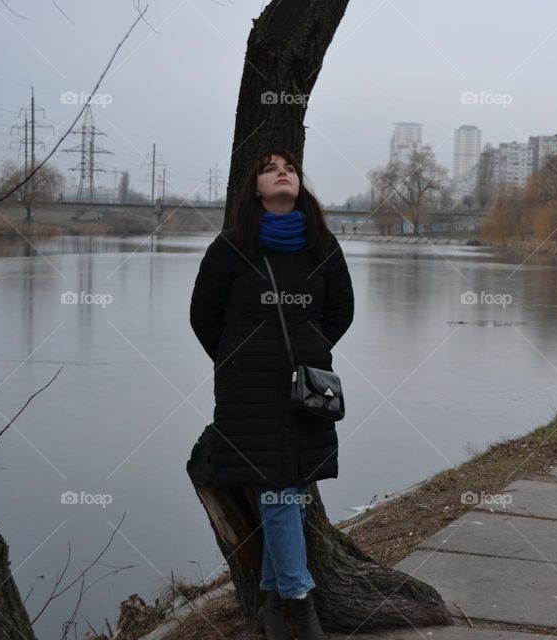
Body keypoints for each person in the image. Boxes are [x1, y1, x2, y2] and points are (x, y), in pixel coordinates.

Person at [189, 148, 354, 640]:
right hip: (248, 392)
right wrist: (237, 357)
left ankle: (270, 604)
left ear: (299, 184)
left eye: (290, 168)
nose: (283, 173)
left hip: (304, 391)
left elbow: (340, 313)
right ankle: (300, 606)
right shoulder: (231, 247)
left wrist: (309, 349)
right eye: (269, 169)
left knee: (284, 489)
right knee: (279, 490)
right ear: (255, 188)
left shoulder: (321, 246)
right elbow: (204, 316)